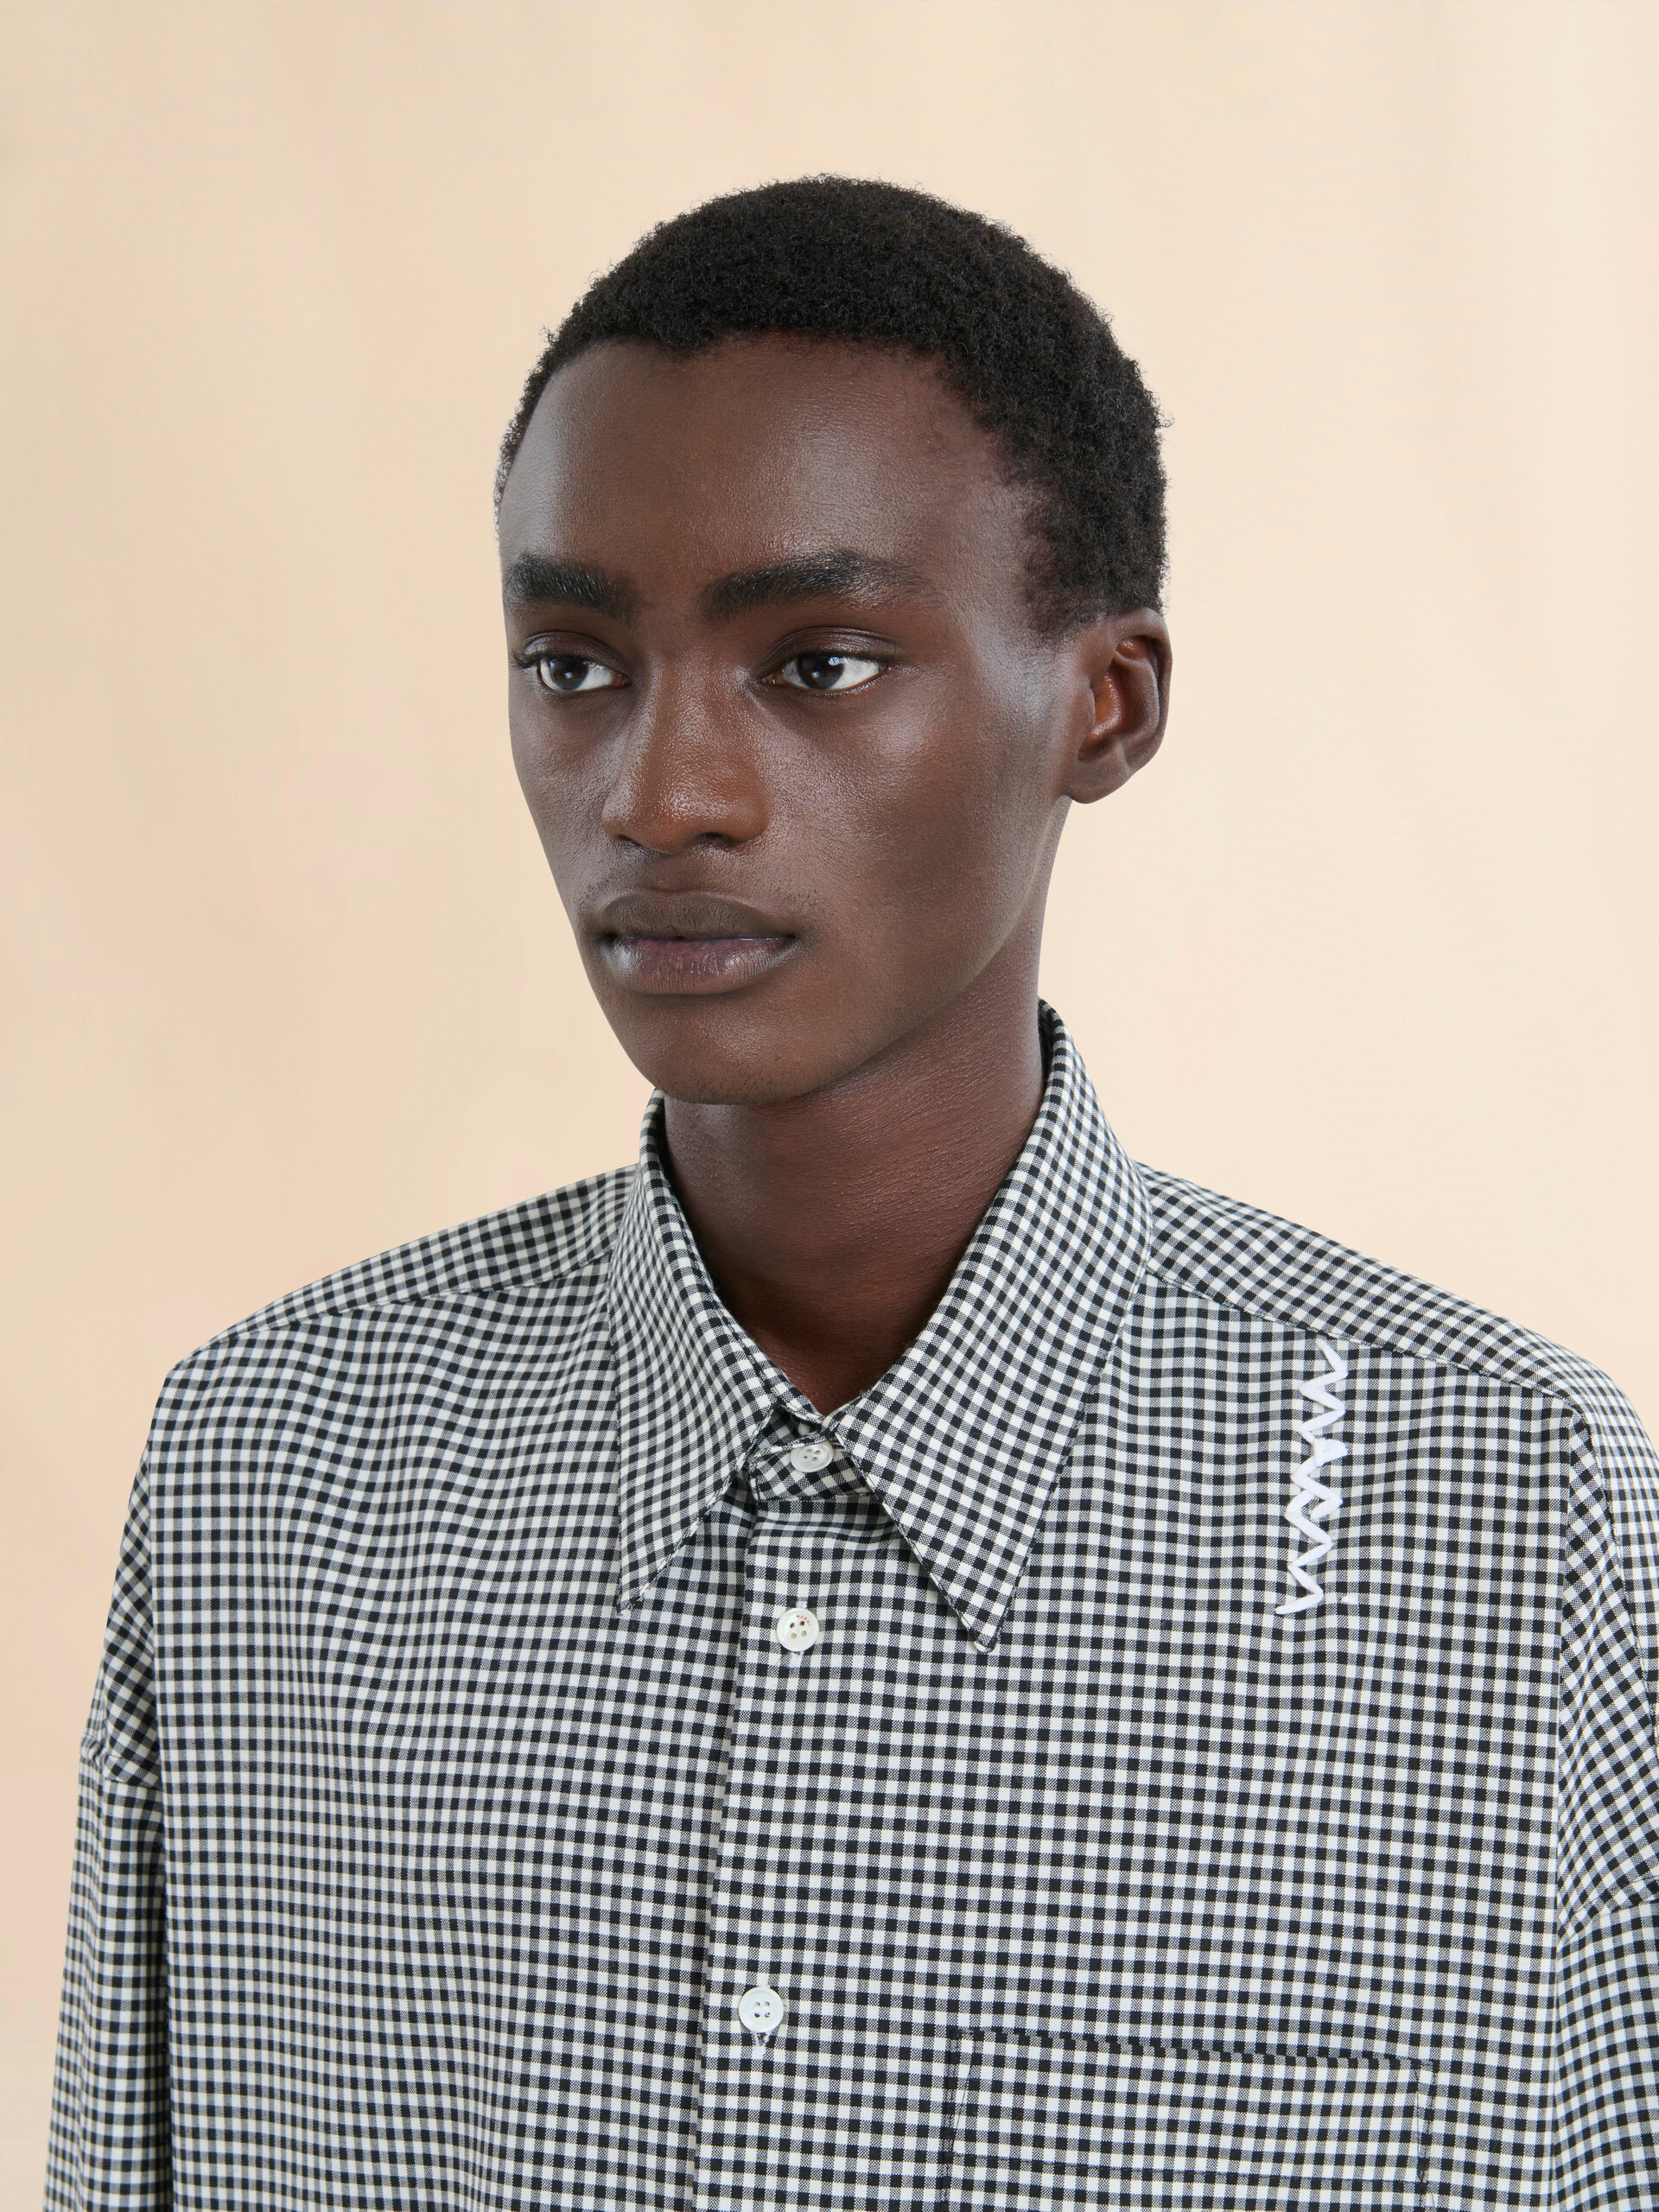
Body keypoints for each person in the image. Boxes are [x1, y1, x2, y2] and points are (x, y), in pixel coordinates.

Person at [48, 177, 1659, 2210]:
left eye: (814, 662)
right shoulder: (273, 1475)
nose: (660, 791)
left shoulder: (1505, 1515)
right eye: (572, 664)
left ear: (1106, 703)